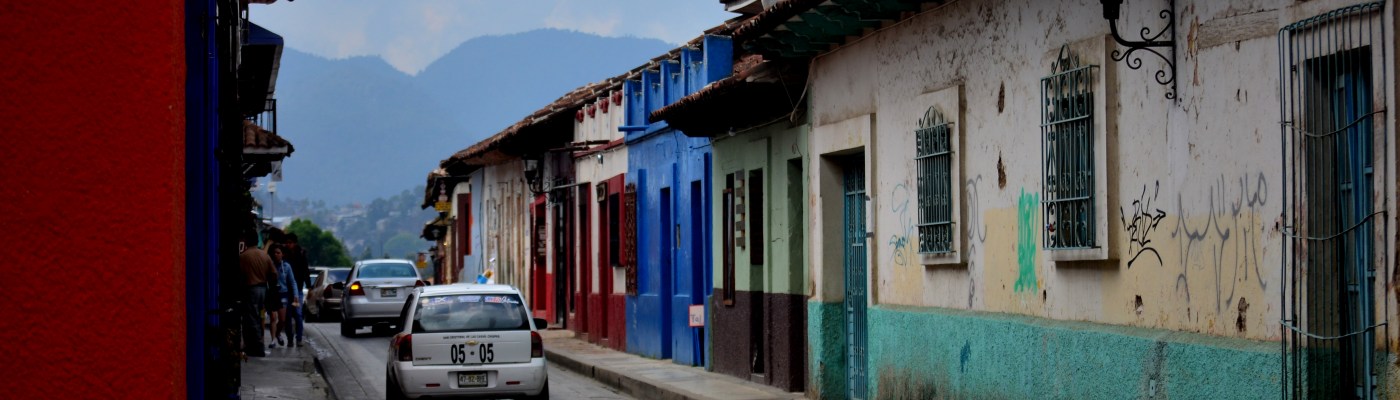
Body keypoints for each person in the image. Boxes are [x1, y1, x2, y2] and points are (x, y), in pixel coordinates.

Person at [238, 232, 276, 357]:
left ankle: (257, 346)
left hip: (251, 289)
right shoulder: (264, 255)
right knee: (259, 316)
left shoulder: (244, 256)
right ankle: (256, 345)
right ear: (257, 241)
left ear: (247, 241)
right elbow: (274, 273)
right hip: (263, 290)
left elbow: (239, 275)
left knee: (252, 317)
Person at [284, 233, 310, 346]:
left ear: (294, 243)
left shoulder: (301, 254)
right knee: (288, 316)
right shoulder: (283, 254)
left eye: (290, 243)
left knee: (298, 315)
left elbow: (305, 270)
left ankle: (298, 338)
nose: (288, 245)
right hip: (286, 290)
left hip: (298, 290)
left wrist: (309, 286)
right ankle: (290, 339)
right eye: (287, 242)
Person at [266, 245, 288, 348]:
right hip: (272, 293)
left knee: (282, 319)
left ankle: (278, 333)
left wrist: (296, 295)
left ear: (282, 254)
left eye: (278, 253)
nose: (276, 255)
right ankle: (273, 340)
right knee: (273, 317)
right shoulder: (269, 264)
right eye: (274, 253)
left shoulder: (286, 266)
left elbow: (292, 282)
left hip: (282, 293)